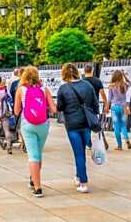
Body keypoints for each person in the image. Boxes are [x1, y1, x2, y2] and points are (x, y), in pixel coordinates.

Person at [14, 67, 57, 197]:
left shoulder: (21, 90)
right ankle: (33, 179)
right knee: (39, 153)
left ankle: (37, 187)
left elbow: (16, 111)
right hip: (43, 125)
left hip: (28, 124)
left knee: (33, 156)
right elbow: (54, 110)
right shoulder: (44, 90)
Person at [57, 63, 99, 194]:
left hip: (72, 125)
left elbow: (60, 107)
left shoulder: (63, 89)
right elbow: (95, 104)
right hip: (86, 123)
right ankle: (78, 175)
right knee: (82, 152)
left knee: (79, 153)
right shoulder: (88, 85)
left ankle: (83, 182)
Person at [105, 70, 131, 151]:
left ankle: (119, 146)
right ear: (121, 76)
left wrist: (106, 107)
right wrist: (124, 75)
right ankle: (127, 139)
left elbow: (109, 99)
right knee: (123, 125)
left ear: (113, 77)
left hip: (114, 108)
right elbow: (129, 82)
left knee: (116, 126)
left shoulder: (111, 86)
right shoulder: (125, 85)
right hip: (124, 108)